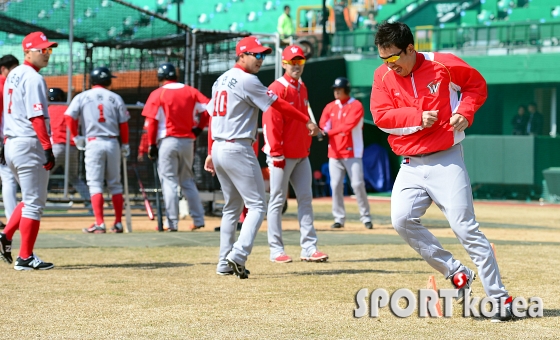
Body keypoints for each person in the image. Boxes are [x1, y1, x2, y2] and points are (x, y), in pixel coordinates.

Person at [370, 22, 513, 322]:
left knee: (465, 227)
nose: (388, 66)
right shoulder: (382, 75)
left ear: (411, 49)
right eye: (383, 59)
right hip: (409, 164)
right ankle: (456, 271)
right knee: (401, 220)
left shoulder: (443, 64)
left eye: (393, 58)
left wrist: (465, 111)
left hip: (446, 159)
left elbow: (476, 86)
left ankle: (500, 300)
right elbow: (381, 117)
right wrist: (418, 117)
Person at [204, 36, 320, 279]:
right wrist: (306, 120)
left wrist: (209, 151)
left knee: (231, 207)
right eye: (255, 54)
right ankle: (238, 254)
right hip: (237, 147)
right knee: (258, 205)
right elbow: (280, 106)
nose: (260, 59)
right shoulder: (247, 80)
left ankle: (223, 262)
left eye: (263, 55)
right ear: (242, 55)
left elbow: (212, 120)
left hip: (219, 146)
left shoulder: (219, 80)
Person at [263, 45, 329, 263]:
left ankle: (309, 248)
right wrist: (276, 154)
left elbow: (300, 117)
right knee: (277, 201)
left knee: (305, 199)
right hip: (281, 155)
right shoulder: (277, 87)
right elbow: (271, 123)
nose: (296, 66)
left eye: (300, 62)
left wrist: (308, 130)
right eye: (292, 62)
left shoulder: (302, 86)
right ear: (284, 63)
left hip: (301, 153)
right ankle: (276, 250)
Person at [0, 32, 57, 270]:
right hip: (28, 141)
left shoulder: (12, 74)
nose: (46, 54)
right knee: (34, 202)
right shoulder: (33, 77)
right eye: (42, 50)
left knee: (29, 198)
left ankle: (5, 235)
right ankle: (25, 257)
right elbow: (36, 116)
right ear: (27, 51)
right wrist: (47, 146)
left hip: (12, 142)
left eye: (49, 50)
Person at [142, 62, 209, 232]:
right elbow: (209, 109)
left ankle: (171, 223)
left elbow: (152, 122)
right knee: (187, 180)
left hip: (168, 141)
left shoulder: (158, 93)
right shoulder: (190, 91)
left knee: (169, 182)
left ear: (160, 77)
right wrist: (199, 128)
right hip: (188, 141)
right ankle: (198, 219)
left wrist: (151, 145)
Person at [65, 66, 130, 234]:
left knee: (95, 184)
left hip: (93, 142)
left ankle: (99, 223)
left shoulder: (82, 96)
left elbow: (68, 116)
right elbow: (124, 124)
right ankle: (117, 223)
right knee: (115, 184)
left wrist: (75, 136)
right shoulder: (116, 97)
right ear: (107, 80)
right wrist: (126, 144)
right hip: (112, 142)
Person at [319, 77, 372, 230]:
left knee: (357, 184)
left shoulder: (356, 106)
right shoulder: (330, 107)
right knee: (335, 185)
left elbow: (347, 126)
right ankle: (339, 218)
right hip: (334, 153)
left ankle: (366, 217)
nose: (336, 92)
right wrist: (322, 131)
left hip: (352, 152)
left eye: (339, 89)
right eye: (335, 89)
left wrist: (327, 133)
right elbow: (324, 123)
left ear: (346, 90)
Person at [47, 88, 91, 207]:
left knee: (42, 176)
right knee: (74, 177)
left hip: (56, 148)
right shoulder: (70, 108)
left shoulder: (48, 110)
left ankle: (33, 204)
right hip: (72, 147)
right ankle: (90, 204)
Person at [0, 54, 20, 227]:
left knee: (7, 178)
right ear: (3, 69)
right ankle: (12, 219)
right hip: (3, 138)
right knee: (8, 178)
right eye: (12, 69)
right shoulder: (4, 85)